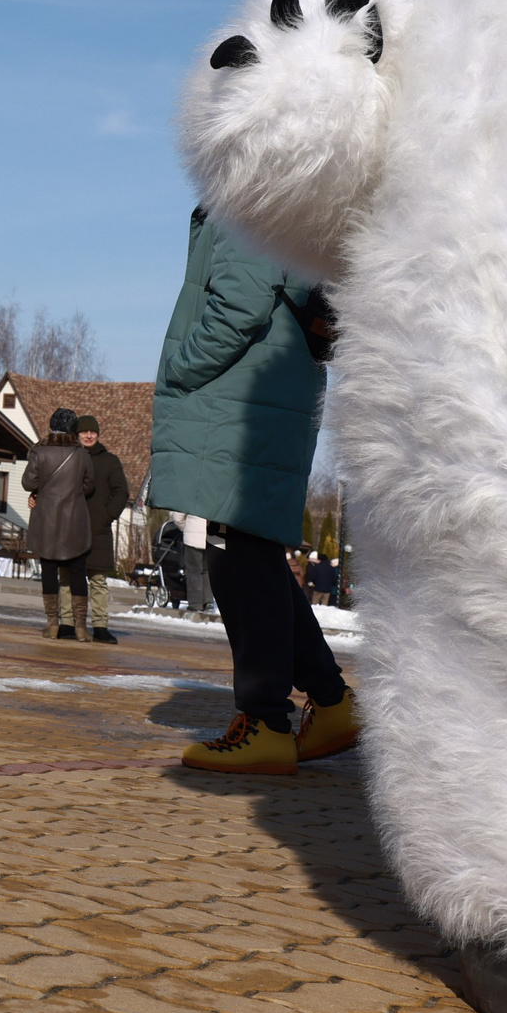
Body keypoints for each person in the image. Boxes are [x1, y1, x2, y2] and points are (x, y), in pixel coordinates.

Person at [148, 207, 356, 774]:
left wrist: (181, 367)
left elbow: (240, 302)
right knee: (250, 550)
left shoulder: (249, 198)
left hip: (241, 402)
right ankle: (331, 703)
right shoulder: (288, 198)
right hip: (269, 392)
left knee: (239, 558)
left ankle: (265, 723)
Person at [18, 407, 94, 639]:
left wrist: (41, 492)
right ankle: (80, 627)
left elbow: (28, 482)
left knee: (48, 571)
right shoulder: (81, 454)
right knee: (78, 572)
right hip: (75, 521)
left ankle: (52, 623)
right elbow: (89, 485)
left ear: (51, 427)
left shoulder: (39, 452)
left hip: (46, 520)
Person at [74, 413, 130, 644]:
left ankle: (100, 626)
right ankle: (68, 624)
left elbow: (122, 492)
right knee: (69, 580)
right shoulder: (70, 457)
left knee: (98, 581)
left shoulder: (110, 461)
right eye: (84, 432)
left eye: (92, 432)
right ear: (77, 434)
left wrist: (107, 516)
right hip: (71, 528)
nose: (88, 436)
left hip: (99, 530)